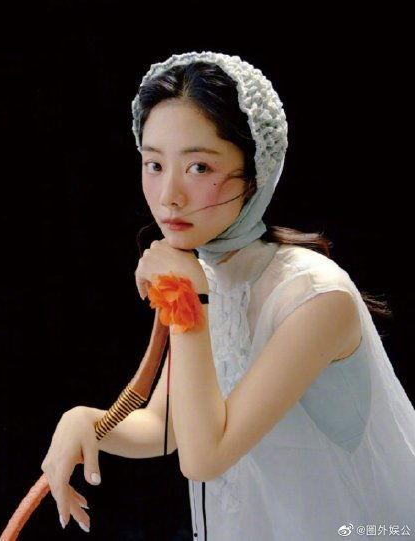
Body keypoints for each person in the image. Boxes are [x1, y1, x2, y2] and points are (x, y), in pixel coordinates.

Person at [42, 52, 415, 540]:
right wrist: (87, 423)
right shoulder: (209, 276)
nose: (169, 195)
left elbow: (205, 456)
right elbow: (167, 425)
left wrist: (186, 299)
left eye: (199, 167)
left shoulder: (315, 296)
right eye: (154, 164)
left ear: (256, 173)